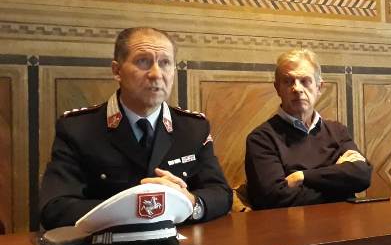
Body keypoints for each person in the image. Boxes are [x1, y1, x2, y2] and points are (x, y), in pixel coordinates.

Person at [40, 27, 232, 229]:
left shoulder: (193, 128)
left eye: (165, 63)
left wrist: (190, 202)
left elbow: (221, 194)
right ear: (117, 71)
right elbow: (55, 208)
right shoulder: (78, 129)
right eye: (143, 61)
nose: (156, 74)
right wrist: (137, 207)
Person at [245, 48, 372, 208]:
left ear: (319, 87)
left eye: (305, 81)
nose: (297, 88)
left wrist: (302, 177)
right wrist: (340, 184)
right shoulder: (261, 139)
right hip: (291, 224)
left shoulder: (337, 131)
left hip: (345, 222)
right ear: (277, 88)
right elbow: (273, 198)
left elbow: (362, 175)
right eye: (288, 81)